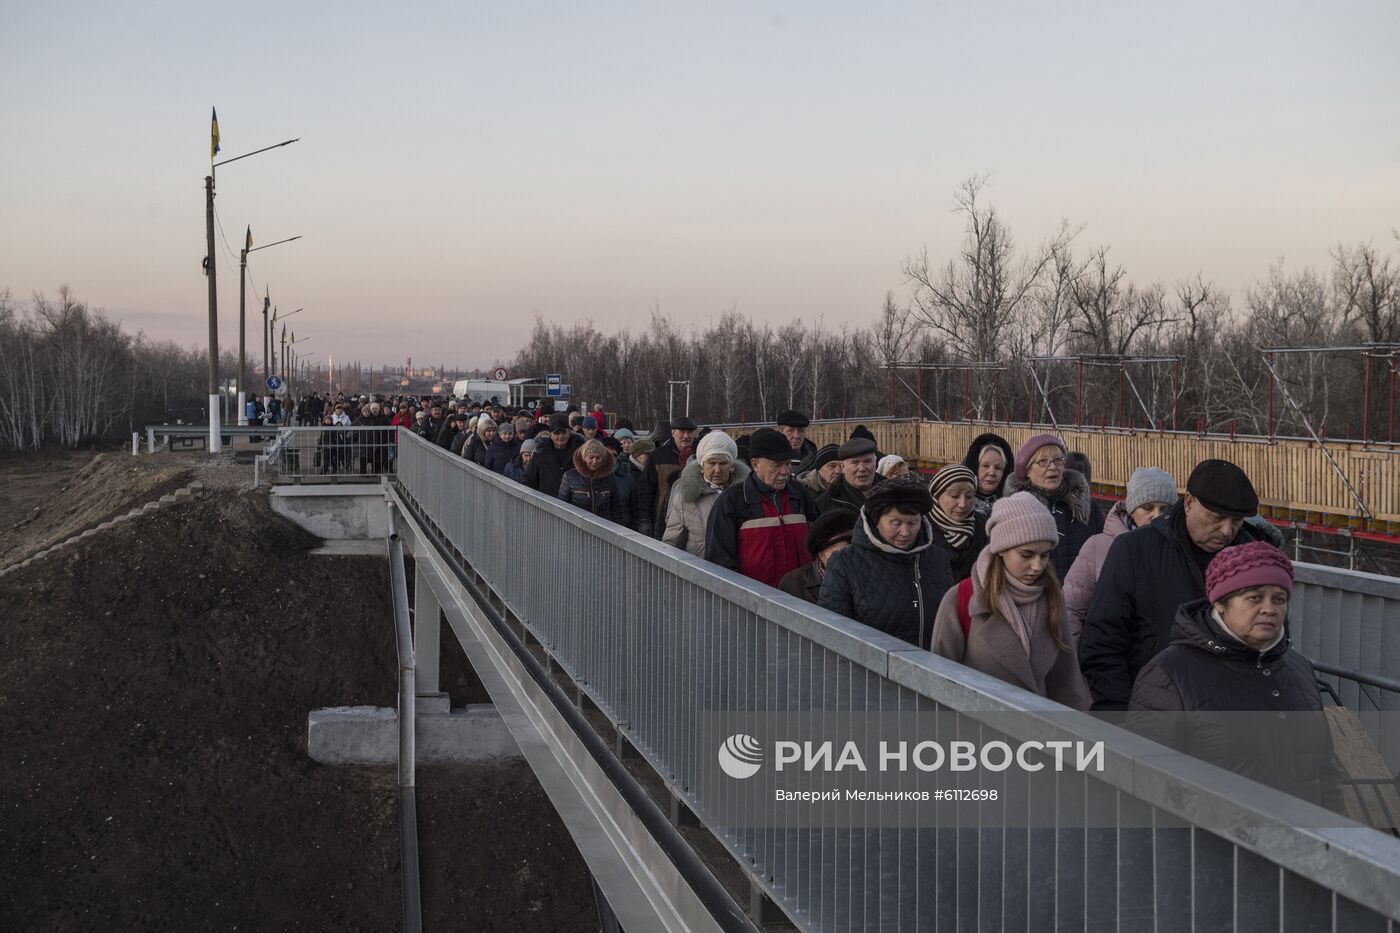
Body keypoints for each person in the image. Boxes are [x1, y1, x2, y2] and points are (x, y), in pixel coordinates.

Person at [1128, 542, 1343, 809]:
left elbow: (1325, 774)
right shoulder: (1170, 674)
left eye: (1279, 599)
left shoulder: (1298, 670)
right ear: (1220, 603)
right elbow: (1147, 785)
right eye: (1254, 597)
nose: (1269, 609)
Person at [1078, 458, 1270, 710]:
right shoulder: (1134, 551)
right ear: (1189, 503)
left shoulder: (1253, 560)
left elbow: (1273, 642)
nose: (1226, 531)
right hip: (1151, 715)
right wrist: (1121, 714)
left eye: (1236, 521)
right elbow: (1101, 641)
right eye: (1218, 518)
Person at [931, 492, 1090, 709]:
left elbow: (1067, 683)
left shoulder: (1052, 597)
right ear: (1002, 550)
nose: (1037, 566)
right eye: (1026, 555)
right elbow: (940, 685)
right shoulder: (960, 600)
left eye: (1044, 555)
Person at [819, 476, 954, 649]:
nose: (905, 532)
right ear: (876, 521)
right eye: (895, 523)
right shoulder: (845, 563)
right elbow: (831, 631)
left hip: (932, 669)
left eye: (913, 522)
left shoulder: (938, 560)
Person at [1063, 467, 1176, 642]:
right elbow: (1071, 609)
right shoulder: (1098, 547)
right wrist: (1076, 660)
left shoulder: (1179, 550)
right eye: (1147, 507)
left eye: (1165, 509)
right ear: (1131, 509)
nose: (1156, 516)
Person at [703, 428, 818, 588]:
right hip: (752, 604)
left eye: (787, 463)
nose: (785, 471)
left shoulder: (801, 496)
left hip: (802, 602)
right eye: (777, 465)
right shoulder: (732, 501)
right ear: (756, 464)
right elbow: (720, 563)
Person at [1003, 433, 1103, 578]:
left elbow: (1103, 559)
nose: (1053, 467)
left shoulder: (1088, 509)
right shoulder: (1013, 511)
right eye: (1043, 461)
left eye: (1058, 460)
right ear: (1028, 471)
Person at [663, 431, 748, 557]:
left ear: (731, 466)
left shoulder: (746, 494)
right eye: (712, 463)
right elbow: (671, 545)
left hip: (738, 573)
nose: (717, 470)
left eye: (723, 463)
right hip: (699, 572)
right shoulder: (685, 497)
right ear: (702, 465)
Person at [778, 509, 856, 604]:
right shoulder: (794, 583)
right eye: (835, 554)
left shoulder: (868, 576)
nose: (845, 559)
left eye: (850, 552)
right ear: (821, 555)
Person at [927, 464, 989, 582]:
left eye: (969, 496)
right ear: (937, 495)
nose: (962, 504)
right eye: (955, 496)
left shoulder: (983, 526)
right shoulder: (923, 528)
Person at [639, 416, 697, 536]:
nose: (686, 436)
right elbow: (645, 490)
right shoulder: (658, 456)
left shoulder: (699, 456)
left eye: (690, 432)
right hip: (662, 521)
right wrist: (644, 520)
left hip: (692, 523)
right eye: (682, 432)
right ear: (673, 432)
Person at [558, 439, 630, 526]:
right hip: (577, 527)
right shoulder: (570, 477)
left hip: (604, 528)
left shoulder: (609, 477)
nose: (595, 461)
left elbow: (617, 509)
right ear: (584, 458)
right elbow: (562, 507)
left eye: (598, 457)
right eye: (591, 457)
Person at [815, 437, 883, 515]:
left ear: (875, 464)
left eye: (867, 461)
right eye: (855, 462)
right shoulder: (824, 504)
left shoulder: (893, 493)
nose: (862, 468)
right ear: (843, 467)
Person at [524, 413, 584, 497]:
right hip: (546, 502)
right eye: (556, 433)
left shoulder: (579, 452)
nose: (560, 436)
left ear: (569, 433)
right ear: (550, 435)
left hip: (573, 503)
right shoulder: (540, 453)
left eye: (563, 432)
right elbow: (529, 480)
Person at [961, 432, 1015, 516]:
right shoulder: (960, 504)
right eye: (985, 466)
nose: (991, 473)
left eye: (998, 468)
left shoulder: (1012, 507)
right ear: (975, 468)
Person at [622, 436, 656, 533]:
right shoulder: (627, 472)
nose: (651, 457)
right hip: (634, 521)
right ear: (637, 455)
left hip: (650, 517)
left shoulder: (652, 470)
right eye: (647, 454)